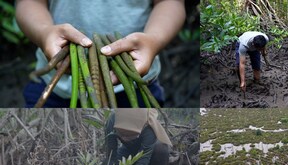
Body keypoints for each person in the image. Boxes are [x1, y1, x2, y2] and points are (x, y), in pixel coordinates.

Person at [15, 0, 185, 107]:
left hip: (135, 83)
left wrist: (154, 39)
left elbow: (170, 2)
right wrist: (44, 32)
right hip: (56, 87)